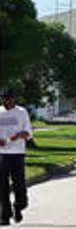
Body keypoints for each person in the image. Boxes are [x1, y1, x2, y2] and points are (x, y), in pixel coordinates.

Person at [0, 90, 32, 225]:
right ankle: (5, 216)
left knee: (19, 184)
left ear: (13, 100)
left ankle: (18, 207)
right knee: (2, 186)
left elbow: (27, 133)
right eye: (3, 99)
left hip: (17, 154)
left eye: (8, 99)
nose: (6, 102)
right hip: (2, 155)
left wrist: (17, 136)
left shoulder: (22, 112)